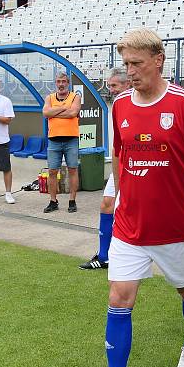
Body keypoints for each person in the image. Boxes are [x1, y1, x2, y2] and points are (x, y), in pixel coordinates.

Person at [78, 29, 184, 367]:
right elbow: (119, 153)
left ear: (159, 60)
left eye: (137, 63)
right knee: (119, 300)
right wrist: (121, 199)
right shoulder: (119, 105)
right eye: (126, 64)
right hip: (130, 227)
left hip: (176, 229)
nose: (130, 71)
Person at [80, 68, 131, 271]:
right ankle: (104, 256)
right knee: (107, 204)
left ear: (127, 84)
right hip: (122, 163)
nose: (110, 90)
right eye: (109, 86)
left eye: (114, 86)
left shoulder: (137, 102)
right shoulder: (118, 106)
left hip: (142, 167)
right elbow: (117, 143)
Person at [42, 73, 81, 214]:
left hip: (71, 139)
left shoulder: (75, 97)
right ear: (55, 83)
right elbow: (45, 113)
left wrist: (54, 112)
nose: (61, 84)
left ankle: (72, 200)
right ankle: (53, 201)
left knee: (72, 169)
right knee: (52, 171)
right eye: (58, 81)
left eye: (63, 81)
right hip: (53, 140)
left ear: (68, 83)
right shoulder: (50, 98)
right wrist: (64, 108)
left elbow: (73, 113)